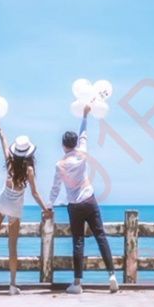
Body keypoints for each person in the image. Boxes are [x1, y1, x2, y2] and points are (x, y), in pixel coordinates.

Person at [0, 121, 52, 295]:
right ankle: (12, 284)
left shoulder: (9, 161)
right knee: (12, 245)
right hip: (15, 209)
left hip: (2, 204)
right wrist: (46, 209)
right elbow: (35, 193)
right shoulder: (29, 170)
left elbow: (2, 137)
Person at [48, 105, 118, 294]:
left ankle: (77, 283)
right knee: (100, 236)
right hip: (89, 199)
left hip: (74, 206)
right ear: (75, 144)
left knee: (78, 241)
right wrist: (85, 116)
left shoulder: (60, 165)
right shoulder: (82, 154)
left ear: (63, 145)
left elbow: (55, 188)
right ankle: (112, 275)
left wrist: (49, 205)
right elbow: (84, 134)